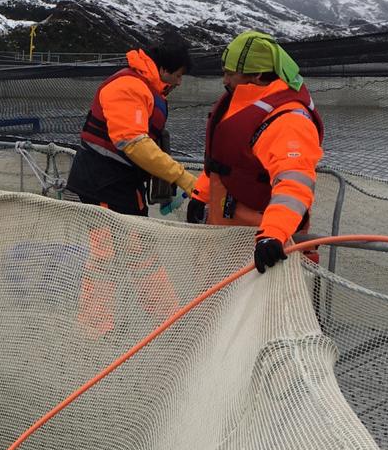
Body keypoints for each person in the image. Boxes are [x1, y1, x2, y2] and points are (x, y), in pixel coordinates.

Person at [187, 31, 324, 273]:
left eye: (231, 73)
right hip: (226, 235)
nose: (224, 80)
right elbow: (226, 160)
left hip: (260, 246)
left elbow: (294, 184)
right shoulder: (241, 102)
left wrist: (273, 234)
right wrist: (201, 195)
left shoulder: (289, 120)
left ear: (258, 75)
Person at [65, 41, 197, 216]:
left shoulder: (144, 87)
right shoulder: (128, 87)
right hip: (103, 184)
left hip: (121, 182)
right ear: (164, 69)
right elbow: (134, 143)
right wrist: (183, 178)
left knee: (135, 238)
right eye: (179, 76)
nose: (179, 82)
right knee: (114, 242)